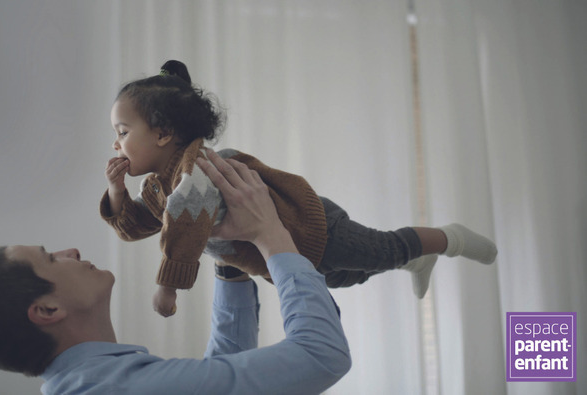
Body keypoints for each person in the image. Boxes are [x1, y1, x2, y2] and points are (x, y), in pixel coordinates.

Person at [102, 60, 498, 316]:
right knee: (350, 277)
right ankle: (415, 260)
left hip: (314, 228)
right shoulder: (157, 189)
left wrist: (168, 289)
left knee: (382, 250)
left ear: (163, 133)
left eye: (122, 132)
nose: (116, 143)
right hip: (285, 260)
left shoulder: (196, 169)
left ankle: (451, 239)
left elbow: (185, 225)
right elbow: (135, 226)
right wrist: (118, 191)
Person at [0, 151, 352, 394]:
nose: (70, 251)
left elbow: (222, 374)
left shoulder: (98, 382)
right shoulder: (120, 388)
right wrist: (271, 234)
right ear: (47, 310)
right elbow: (321, 356)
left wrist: (227, 256)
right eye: (50, 258)